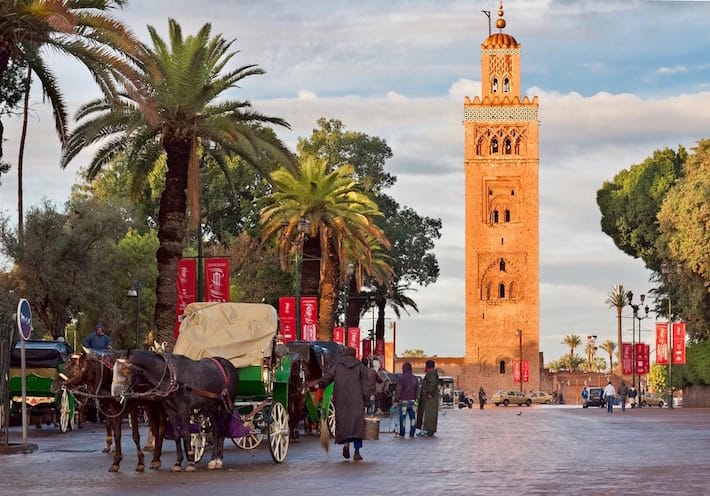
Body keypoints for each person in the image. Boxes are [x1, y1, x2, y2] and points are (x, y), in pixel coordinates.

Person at [310, 347, 369, 461]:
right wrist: (366, 399)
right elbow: (365, 386)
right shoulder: (361, 367)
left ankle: (346, 444)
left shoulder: (337, 366)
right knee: (357, 425)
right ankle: (357, 451)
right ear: (354, 355)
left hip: (341, 400)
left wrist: (320, 384)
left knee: (344, 423)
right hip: (357, 401)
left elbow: (328, 377)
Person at [415, 359, 439, 437]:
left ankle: (427, 430)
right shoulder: (432, 373)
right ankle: (429, 430)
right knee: (429, 415)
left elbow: (432, 384)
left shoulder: (431, 374)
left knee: (427, 415)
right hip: (430, 399)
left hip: (429, 400)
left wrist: (428, 393)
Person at [393, 362, 418, 437]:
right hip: (412, 401)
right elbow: (417, 390)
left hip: (403, 400)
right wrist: (415, 399)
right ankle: (412, 432)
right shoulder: (415, 378)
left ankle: (402, 432)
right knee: (412, 418)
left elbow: (398, 390)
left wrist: (396, 400)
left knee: (403, 418)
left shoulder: (401, 378)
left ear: (404, 369)